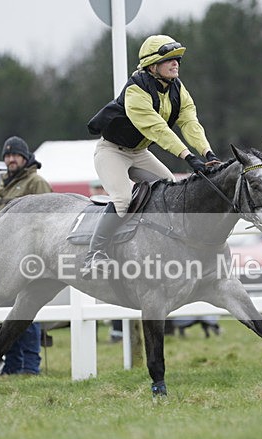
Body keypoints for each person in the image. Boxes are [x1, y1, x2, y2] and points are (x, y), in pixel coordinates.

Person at [82, 34, 219, 275]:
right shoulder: (136, 90)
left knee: (170, 190)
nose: (176, 63)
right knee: (122, 199)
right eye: (169, 60)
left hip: (139, 152)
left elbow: (190, 123)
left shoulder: (177, 88)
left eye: (177, 59)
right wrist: (188, 157)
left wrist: (207, 152)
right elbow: (158, 130)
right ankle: (94, 254)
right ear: (152, 66)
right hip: (112, 152)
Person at [0, 136, 52, 375]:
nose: (10, 159)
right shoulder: (1, 184)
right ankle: (12, 366)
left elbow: (49, 220)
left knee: (25, 311)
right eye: (7, 155)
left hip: (28, 258)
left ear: (25, 158)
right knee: (6, 313)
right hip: (2, 259)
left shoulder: (36, 182)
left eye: (15, 155)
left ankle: (30, 366)